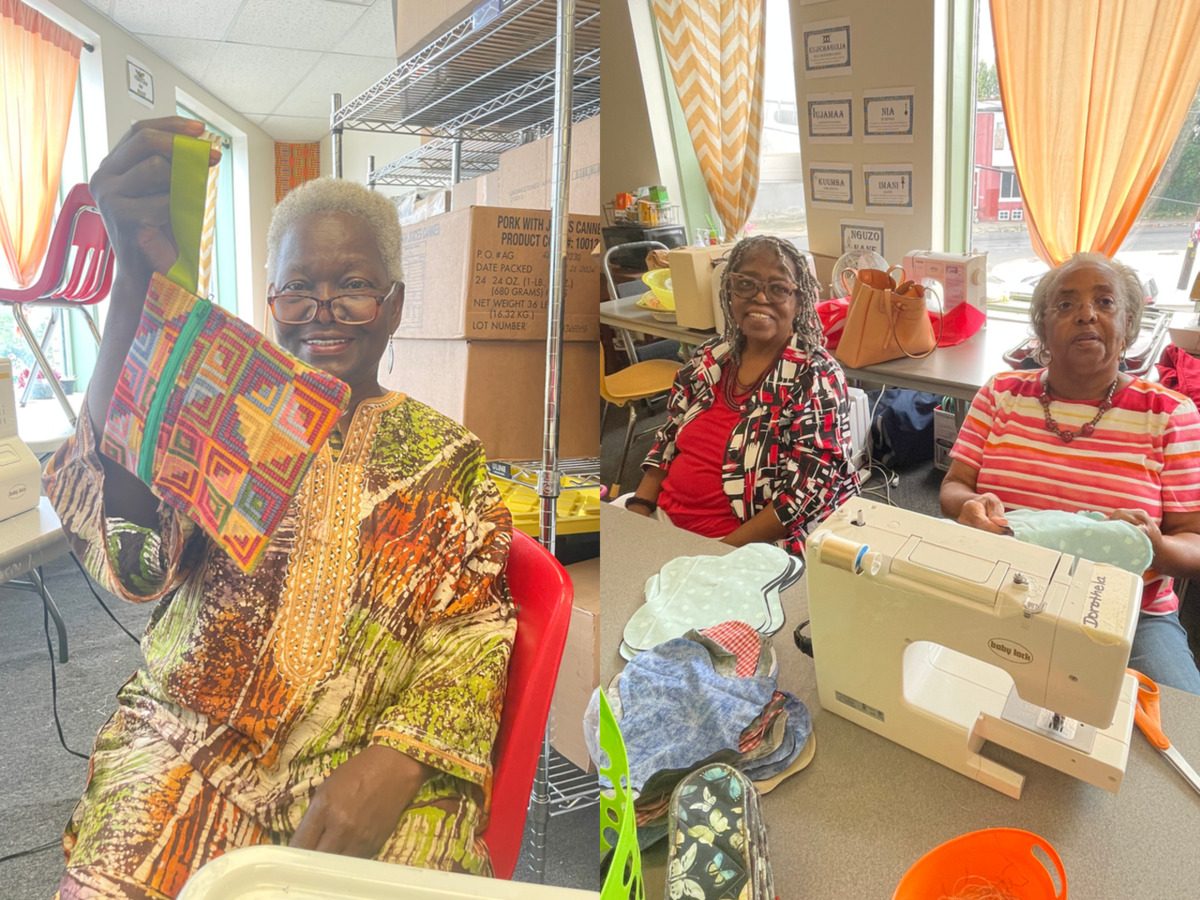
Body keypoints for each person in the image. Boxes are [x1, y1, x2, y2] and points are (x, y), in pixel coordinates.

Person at [44, 118, 516, 897]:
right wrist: (134, 282)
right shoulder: (227, 410)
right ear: (271, 302)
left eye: (355, 286)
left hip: (372, 761)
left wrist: (398, 758)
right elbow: (135, 552)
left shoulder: (446, 459)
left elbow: (476, 630)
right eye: (299, 286)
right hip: (188, 742)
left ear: (394, 307)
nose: (322, 308)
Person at [941, 252, 1200, 693]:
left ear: (1129, 324)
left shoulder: (1170, 414)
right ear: (1042, 327)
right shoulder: (1001, 394)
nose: (1085, 315)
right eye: (1065, 305)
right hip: (1002, 592)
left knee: (1179, 737)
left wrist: (1151, 546)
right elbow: (955, 486)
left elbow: (1194, 544)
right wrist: (970, 506)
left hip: (1129, 618)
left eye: (1105, 302)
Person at [625, 235, 860, 556]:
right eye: (745, 284)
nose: (760, 297)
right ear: (729, 292)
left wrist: (717, 555)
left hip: (745, 548)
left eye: (778, 288)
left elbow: (806, 495)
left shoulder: (815, 376)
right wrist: (638, 512)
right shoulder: (709, 358)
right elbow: (667, 440)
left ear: (800, 301)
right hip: (664, 526)